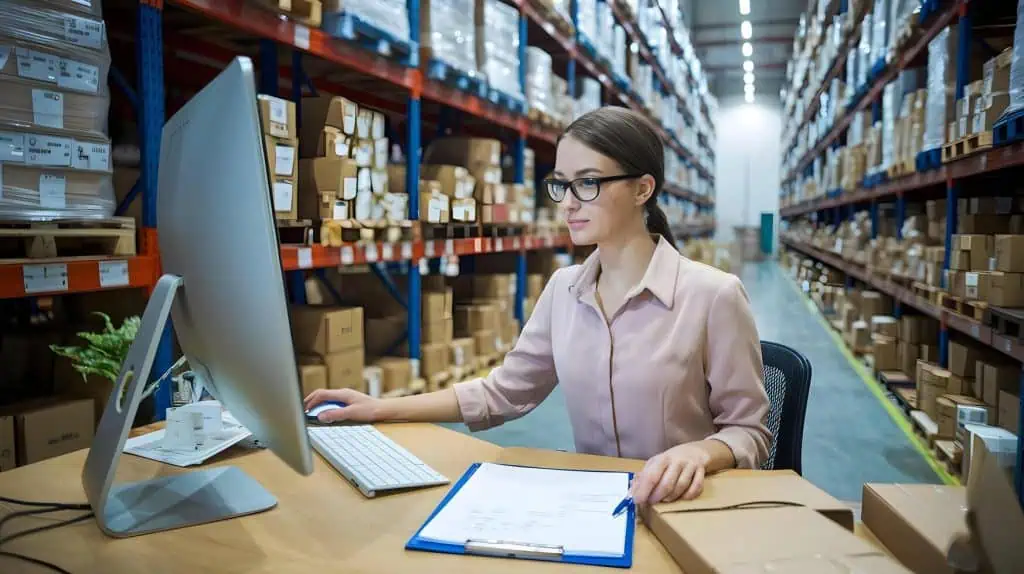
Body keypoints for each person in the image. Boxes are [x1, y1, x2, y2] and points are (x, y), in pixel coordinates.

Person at [304, 106, 771, 506]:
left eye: (587, 183)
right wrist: (379, 408)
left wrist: (699, 453)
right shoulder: (564, 290)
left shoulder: (713, 296)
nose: (568, 203)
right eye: (561, 185)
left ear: (642, 189)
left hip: (680, 510)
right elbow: (503, 393)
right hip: (596, 506)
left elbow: (751, 433)